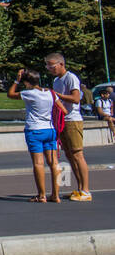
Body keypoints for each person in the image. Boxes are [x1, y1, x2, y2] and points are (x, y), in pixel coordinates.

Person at [8, 68, 61, 202]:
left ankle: (41, 195)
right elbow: (63, 109)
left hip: (35, 130)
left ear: (26, 82)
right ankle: (56, 194)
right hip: (50, 130)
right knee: (54, 163)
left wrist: (16, 80)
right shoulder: (51, 93)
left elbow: (10, 94)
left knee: (38, 163)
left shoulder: (28, 93)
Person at [46, 53, 90, 201]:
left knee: (78, 154)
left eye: (51, 66)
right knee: (70, 156)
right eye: (47, 66)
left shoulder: (70, 78)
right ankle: (79, 188)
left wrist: (56, 95)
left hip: (72, 120)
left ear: (61, 64)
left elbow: (76, 99)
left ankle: (86, 190)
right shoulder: (56, 80)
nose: (49, 68)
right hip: (62, 121)